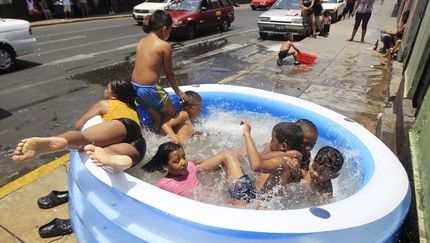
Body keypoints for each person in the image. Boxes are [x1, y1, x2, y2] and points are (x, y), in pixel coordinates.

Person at [13, 79, 146, 172]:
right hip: (136, 138)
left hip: (120, 126)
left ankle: (60, 141)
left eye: (107, 88)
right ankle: (116, 160)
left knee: (85, 138)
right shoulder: (132, 107)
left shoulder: (106, 104)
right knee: (128, 156)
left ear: (113, 96)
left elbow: (79, 124)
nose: (105, 90)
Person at [142, 142, 256, 204]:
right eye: (176, 161)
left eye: (184, 157)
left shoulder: (190, 168)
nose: (183, 162)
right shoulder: (163, 184)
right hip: (205, 210)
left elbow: (202, 163)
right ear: (165, 166)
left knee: (251, 205)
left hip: (221, 202)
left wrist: (233, 160)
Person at [131, 10, 186, 133]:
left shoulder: (141, 42)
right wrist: (178, 92)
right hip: (149, 88)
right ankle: (165, 134)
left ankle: (155, 126)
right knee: (172, 111)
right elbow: (169, 73)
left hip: (135, 88)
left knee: (157, 115)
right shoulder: (164, 46)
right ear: (165, 29)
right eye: (170, 30)